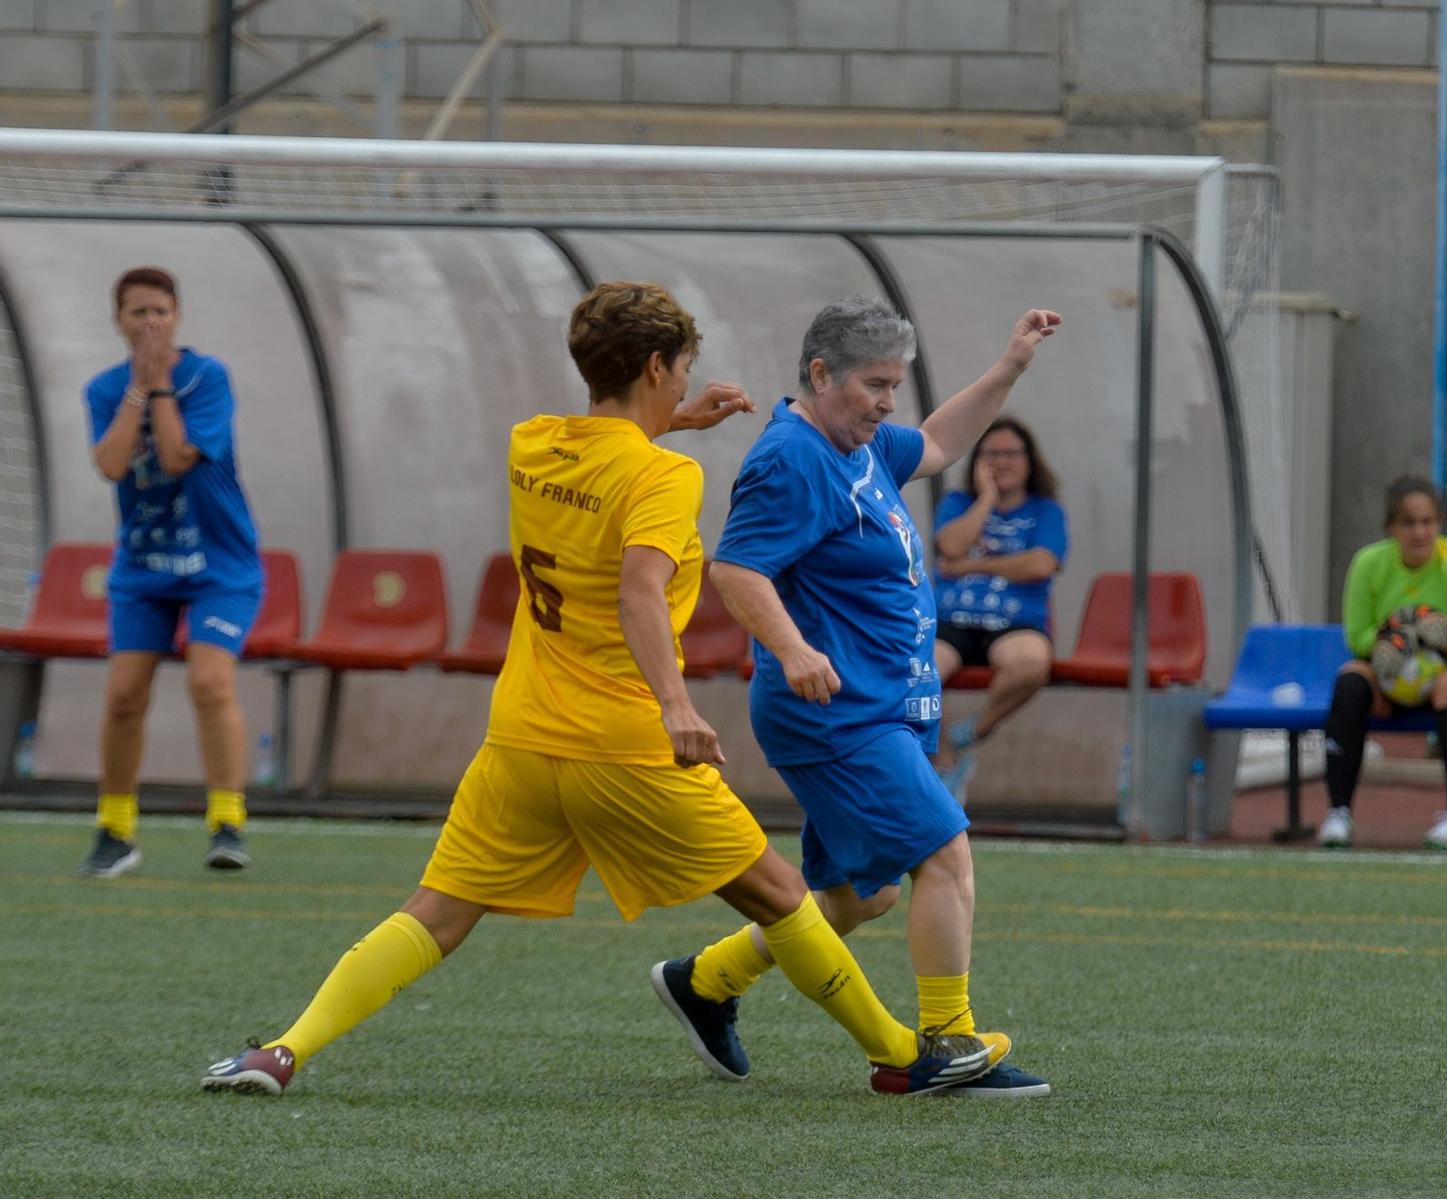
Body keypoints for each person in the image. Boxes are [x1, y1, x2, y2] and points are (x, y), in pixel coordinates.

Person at [200, 282, 1004, 1097]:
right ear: (656, 366)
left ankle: (285, 1048)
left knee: (436, 911)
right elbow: (638, 592)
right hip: (622, 742)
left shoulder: (531, 443)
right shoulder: (665, 477)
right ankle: (902, 1051)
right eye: (683, 370)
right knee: (781, 896)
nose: (688, 386)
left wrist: (675, 421)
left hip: (522, 734)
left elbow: (598, 460)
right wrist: (677, 705)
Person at [653, 297, 1060, 1100]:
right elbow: (736, 569)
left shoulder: (860, 444)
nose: (887, 402)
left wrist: (1010, 366)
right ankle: (948, 1041)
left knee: (859, 895)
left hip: (877, 706)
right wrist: (794, 647)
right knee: (945, 854)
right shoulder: (792, 457)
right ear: (819, 375)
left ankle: (705, 981)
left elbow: (941, 441)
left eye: (894, 384)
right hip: (836, 711)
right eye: (874, 384)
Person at [79, 266, 263, 878]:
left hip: (220, 564)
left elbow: (182, 456)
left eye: (160, 311)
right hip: (143, 566)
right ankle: (115, 830)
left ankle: (227, 822)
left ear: (178, 315)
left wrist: (161, 388)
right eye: (138, 313)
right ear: (119, 322)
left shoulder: (208, 378)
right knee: (125, 694)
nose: (150, 323)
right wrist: (139, 388)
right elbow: (110, 464)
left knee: (210, 681)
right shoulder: (104, 389)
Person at [1319, 476, 1447, 851]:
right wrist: (1402, 635)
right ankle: (1338, 813)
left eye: (1428, 522)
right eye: (1408, 523)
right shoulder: (1368, 563)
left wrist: (1439, 640)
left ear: (1439, 524)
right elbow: (1356, 638)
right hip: (1392, 672)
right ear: (1391, 528)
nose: (1419, 532)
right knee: (1350, 682)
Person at [929, 417, 1067, 803]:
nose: (1001, 462)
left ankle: (972, 733)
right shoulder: (958, 504)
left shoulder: (1046, 511)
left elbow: (1041, 564)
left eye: (1011, 454)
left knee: (1030, 663)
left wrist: (971, 567)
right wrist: (987, 499)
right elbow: (951, 546)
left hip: (1015, 622)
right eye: (991, 454)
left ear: (1029, 461)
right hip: (951, 620)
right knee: (919, 671)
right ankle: (945, 763)